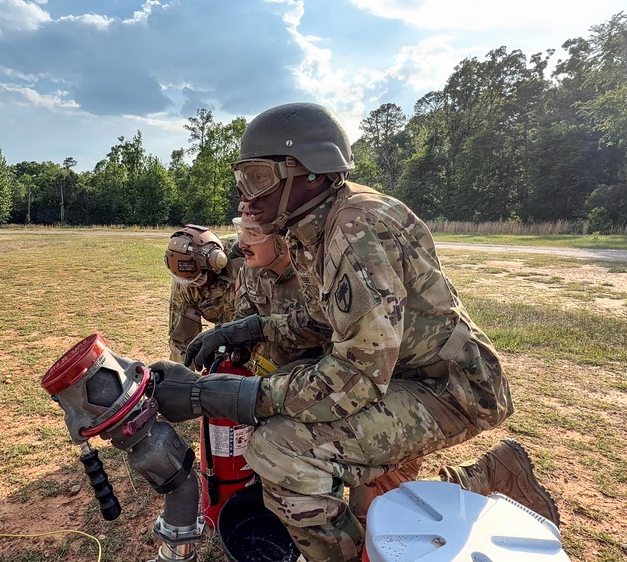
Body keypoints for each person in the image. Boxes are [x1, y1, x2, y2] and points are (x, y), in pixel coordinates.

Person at [150, 103, 559, 562]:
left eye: (259, 178)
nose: (246, 197)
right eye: (241, 179)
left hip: (449, 388)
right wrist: (253, 327)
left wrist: (235, 396)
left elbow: (355, 378)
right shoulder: (315, 226)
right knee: (356, 485)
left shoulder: (354, 227)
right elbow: (326, 322)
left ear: (311, 173)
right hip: (406, 377)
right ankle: (487, 478)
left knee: (282, 451)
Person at [230, 217, 330, 373]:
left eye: (253, 235)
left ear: (284, 239)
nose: (242, 244)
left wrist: (254, 329)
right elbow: (244, 315)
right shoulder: (252, 268)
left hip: (321, 376)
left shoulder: (316, 273)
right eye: (242, 233)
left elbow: (323, 328)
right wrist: (229, 343)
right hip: (276, 372)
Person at [165, 224, 243, 363]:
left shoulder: (244, 261)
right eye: (189, 281)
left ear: (217, 263)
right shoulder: (184, 283)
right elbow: (181, 342)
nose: (194, 286)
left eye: (198, 280)